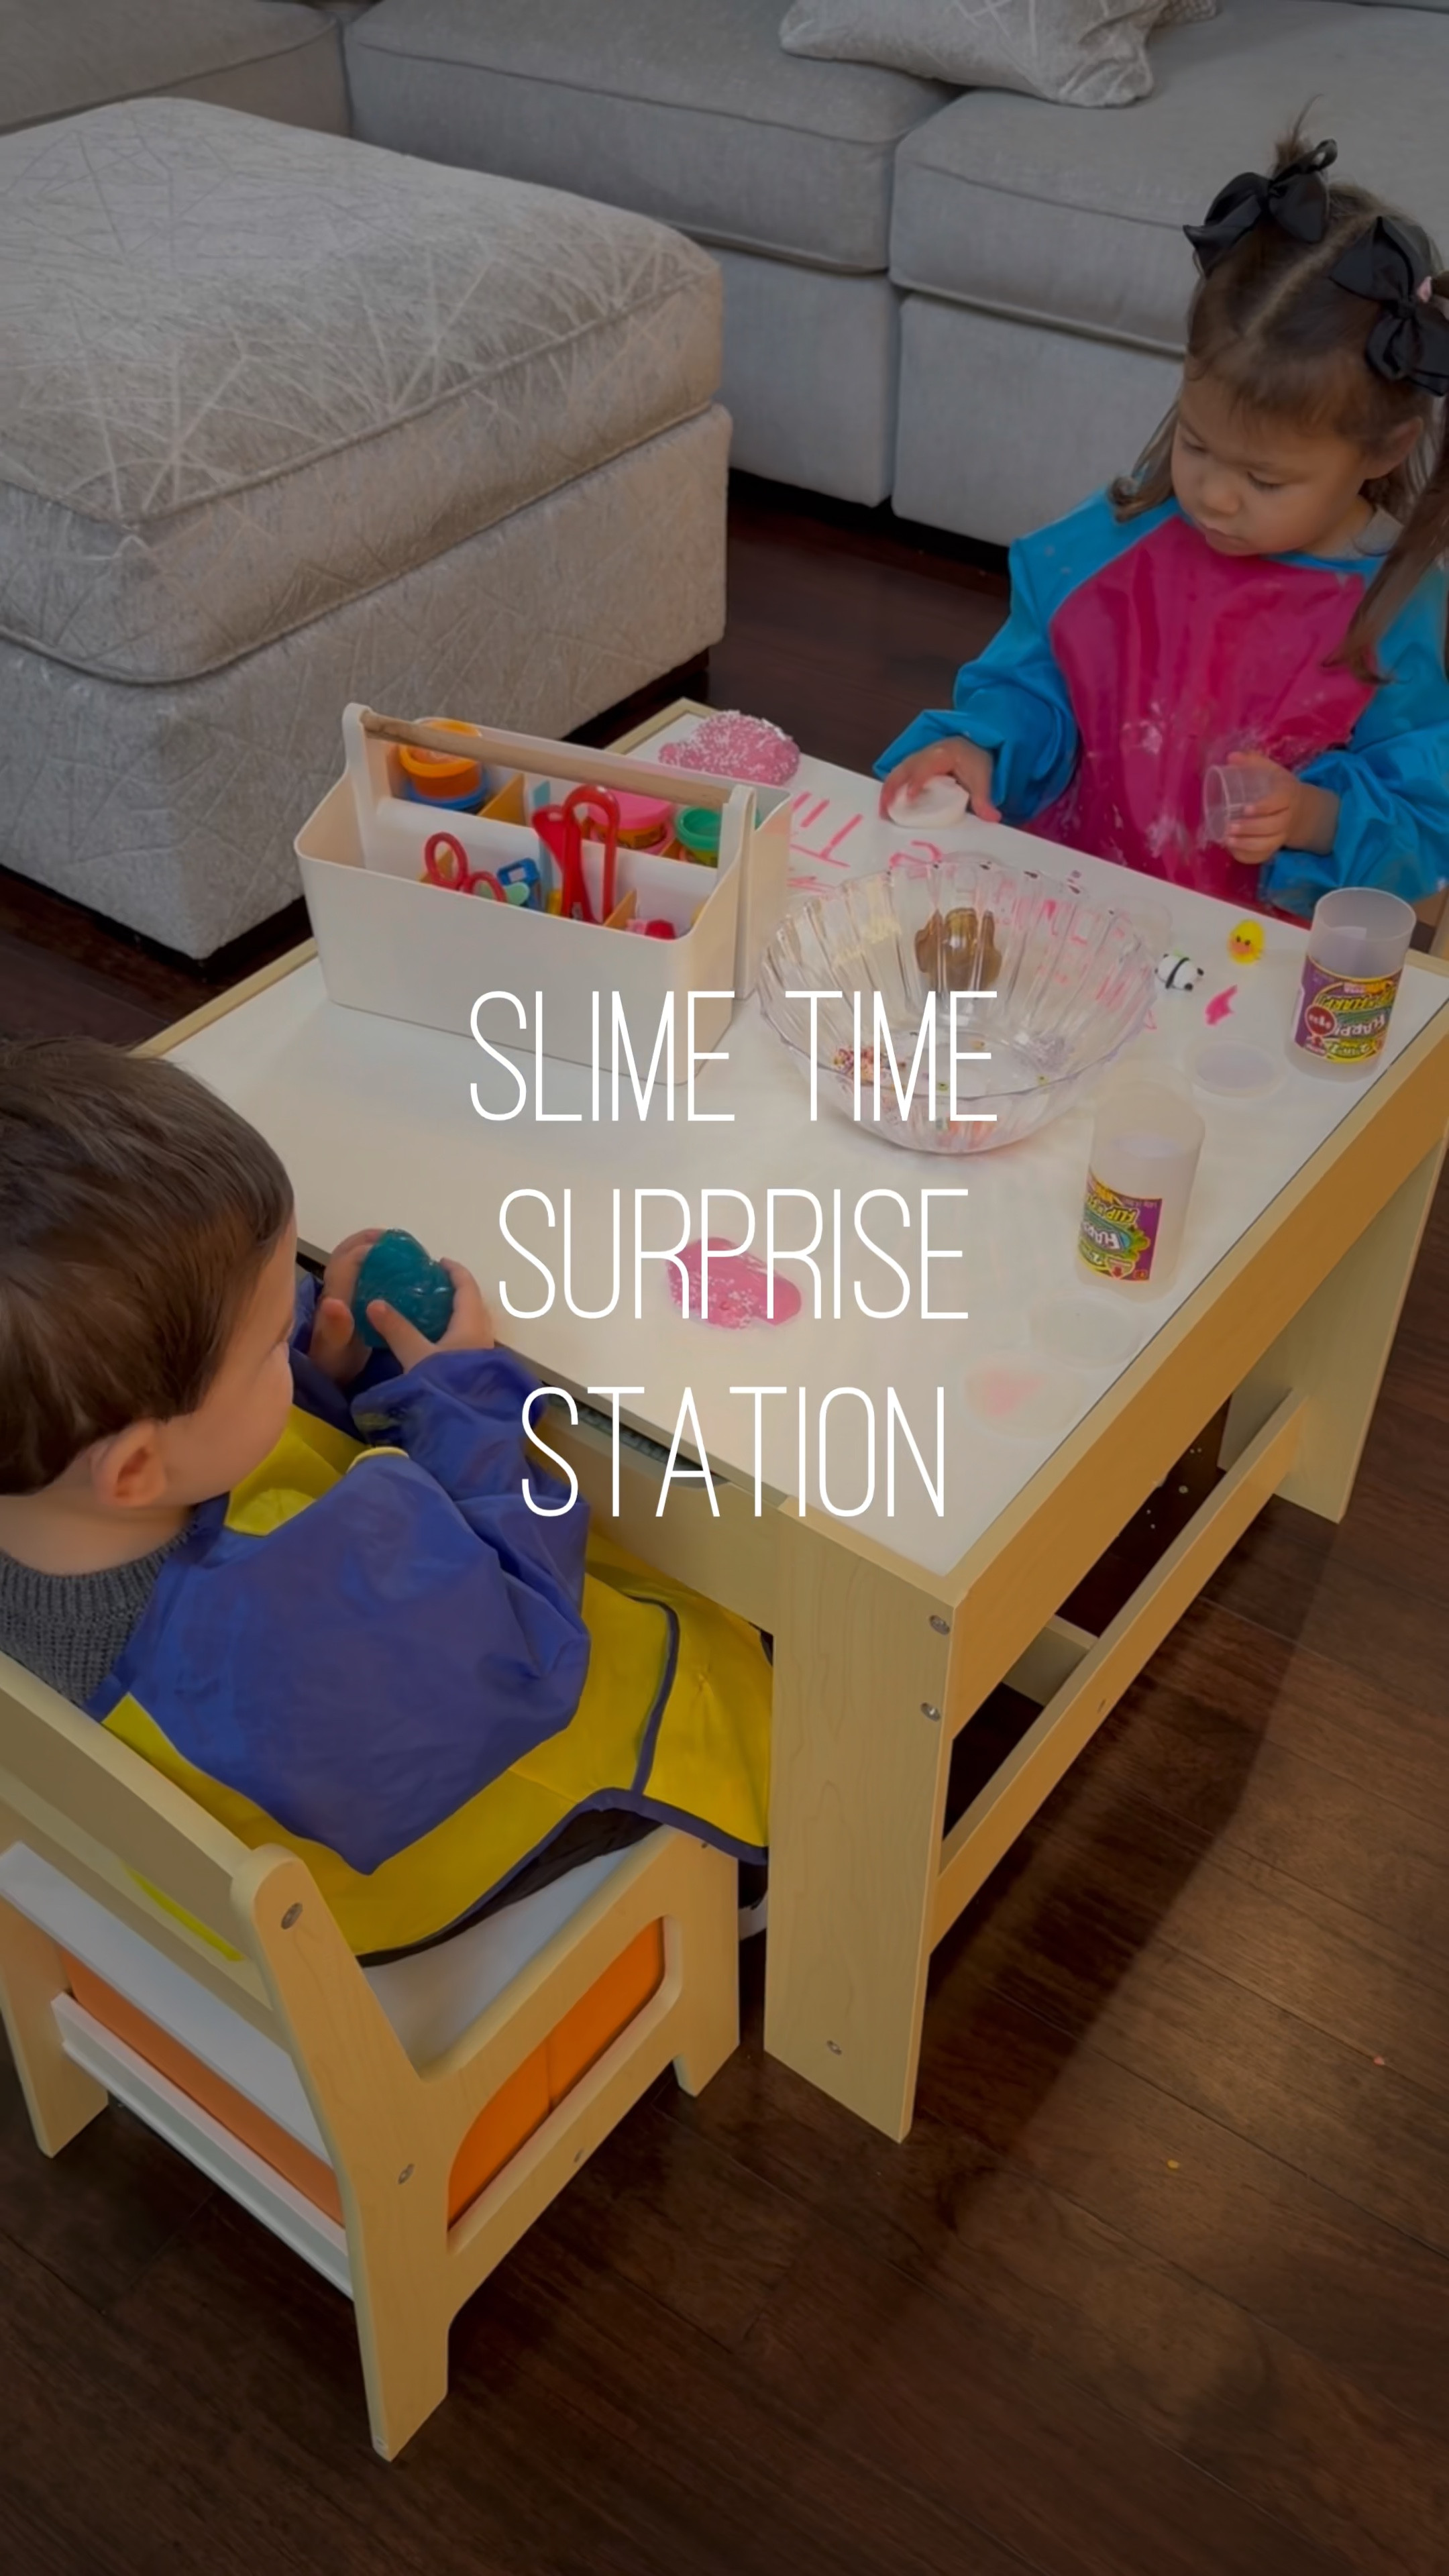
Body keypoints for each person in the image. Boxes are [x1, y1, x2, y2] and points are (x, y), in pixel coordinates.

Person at [0, 1039, 769, 1962]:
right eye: (262, 1351)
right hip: (395, 1875)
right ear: (131, 1470)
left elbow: (222, 1457)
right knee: (723, 1647)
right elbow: (517, 1631)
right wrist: (459, 1399)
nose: (300, 1311)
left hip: (240, 1819)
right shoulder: (269, 1625)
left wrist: (310, 1379)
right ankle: (754, 1887)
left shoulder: (54, 1485)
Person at [877, 132, 1449, 918]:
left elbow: (1423, 818)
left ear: (1385, 449)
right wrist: (981, 748)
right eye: (1197, 443)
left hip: (1250, 966)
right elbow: (1033, 687)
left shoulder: (1396, 613)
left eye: (1265, 478)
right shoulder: (1120, 540)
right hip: (1069, 916)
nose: (1214, 497)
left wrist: (1317, 817)